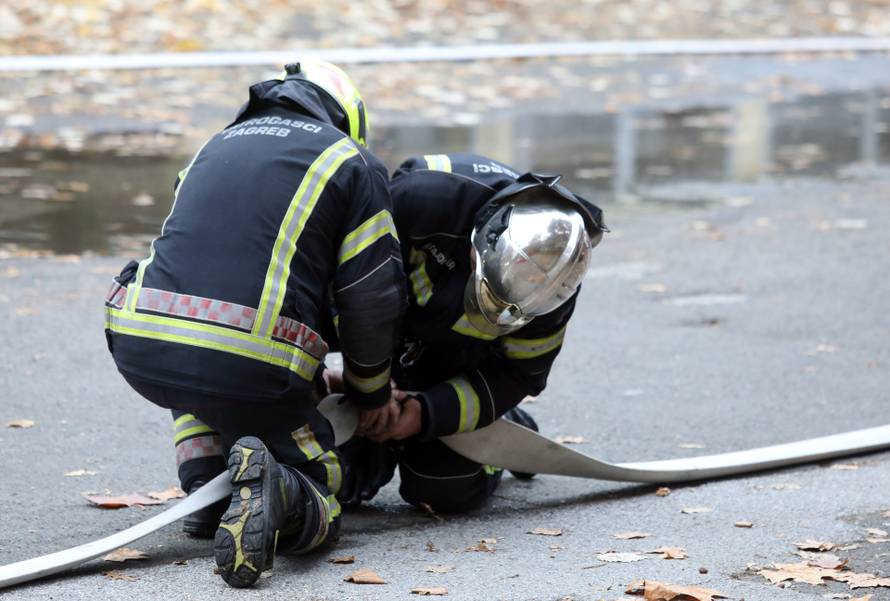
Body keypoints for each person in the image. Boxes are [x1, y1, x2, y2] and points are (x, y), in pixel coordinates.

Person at [103, 60, 405, 588]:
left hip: (140, 343)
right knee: (325, 477)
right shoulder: (351, 161)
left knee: (196, 350)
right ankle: (285, 490)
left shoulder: (212, 146)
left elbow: (199, 265)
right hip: (249, 361)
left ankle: (206, 485)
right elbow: (371, 296)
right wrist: (370, 390)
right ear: (347, 118)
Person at [336, 153, 606, 513]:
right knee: (337, 479)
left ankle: (506, 423)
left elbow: (518, 374)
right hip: (388, 332)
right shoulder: (420, 201)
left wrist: (425, 414)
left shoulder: (556, 281)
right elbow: (350, 294)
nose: (498, 315)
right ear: (483, 242)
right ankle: (376, 452)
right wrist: (367, 386)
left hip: (461, 364)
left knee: (441, 489)